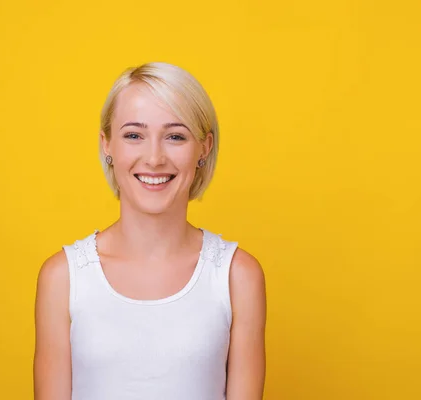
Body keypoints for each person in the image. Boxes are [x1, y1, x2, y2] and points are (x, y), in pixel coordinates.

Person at [33, 62, 266, 400]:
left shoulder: (237, 276)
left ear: (204, 147)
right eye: (134, 135)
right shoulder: (63, 277)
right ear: (107, 145)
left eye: (175, 136)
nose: (154, 158)